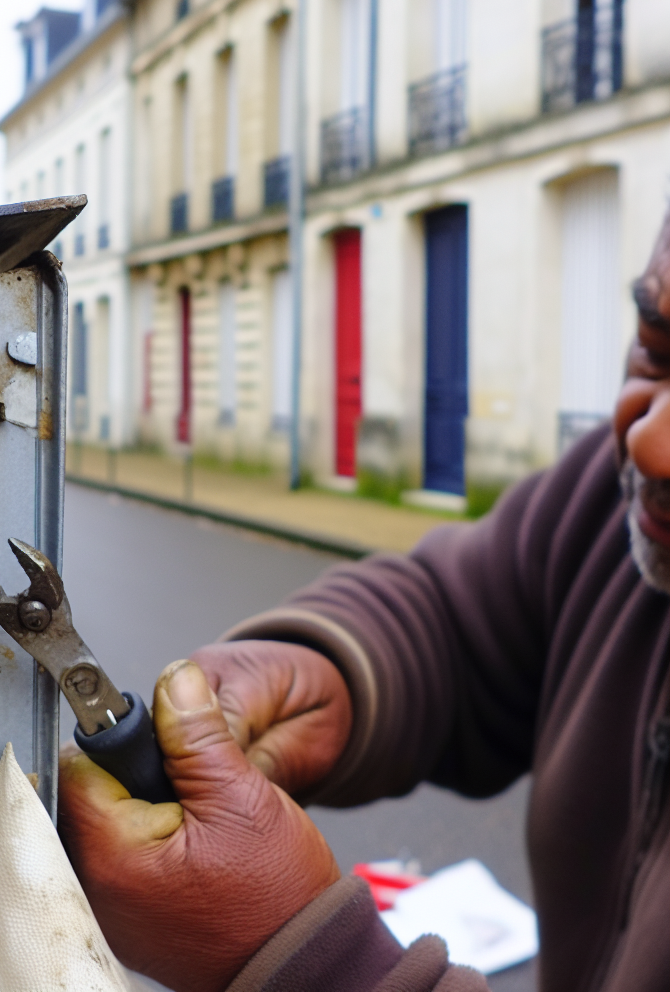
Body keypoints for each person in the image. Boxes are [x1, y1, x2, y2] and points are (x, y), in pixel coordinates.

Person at [58, 209, 670, 992]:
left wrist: (299, 958)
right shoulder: (607, 501)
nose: (650, 442)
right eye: (655, 345)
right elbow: (456, 617)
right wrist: (335, 672)